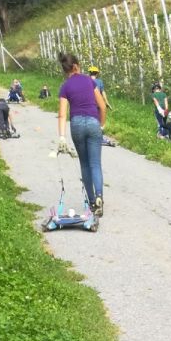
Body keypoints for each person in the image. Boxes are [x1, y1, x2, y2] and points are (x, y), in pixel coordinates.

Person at [57, 52, 107, 217]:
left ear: (65, 69)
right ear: (76, 66)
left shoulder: (65, 87)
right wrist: (101, 125)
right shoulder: (89, 81)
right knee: (95, 164)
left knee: (84, 164)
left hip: (77, 124)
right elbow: (102, 106)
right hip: (93, 123)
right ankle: (99, 197)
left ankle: (92, 201)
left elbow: (62, 115)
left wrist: (62, 137)